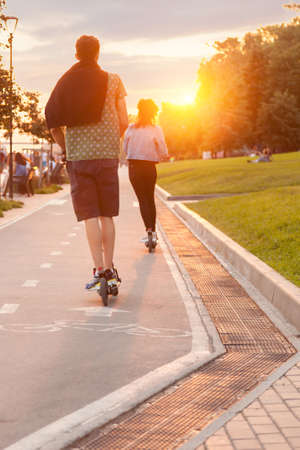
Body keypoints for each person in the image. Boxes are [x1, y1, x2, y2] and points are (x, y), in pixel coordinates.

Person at [45, 35, 128, 292]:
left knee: (89, 215)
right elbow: (124, 118)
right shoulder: (114, 81)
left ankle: (99, 268)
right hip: (106, 155)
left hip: (79, 157)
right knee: (107, 214)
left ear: (76, 54)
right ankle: (111, 268)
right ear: (98, 53)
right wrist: (112, 137)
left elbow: (51, 118)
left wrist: (65, 146)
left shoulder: (65, 82)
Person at [123, 99, 169, 247]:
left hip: (134, 167)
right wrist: (162, 155)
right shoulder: (156, 129)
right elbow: (162, 148)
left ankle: (148, 230)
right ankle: (153, 233)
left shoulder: (131, 128)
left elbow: (125, 147)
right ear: (153, 112)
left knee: (142, 199)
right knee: (150, 198)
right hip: (149, 167)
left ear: (139, 111)